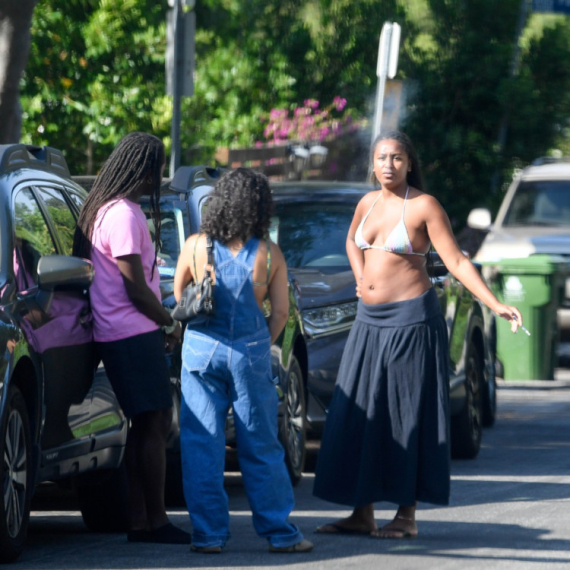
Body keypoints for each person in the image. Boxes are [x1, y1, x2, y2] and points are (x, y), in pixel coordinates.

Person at [313, 130, 523, 539]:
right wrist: (360, 279)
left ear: (410, 164)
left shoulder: (424, 206)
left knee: (404, 414)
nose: (388, 165)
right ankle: (362, 512)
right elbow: (351, 241)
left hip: (411, 322)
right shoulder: (366, 203)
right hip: (368, 325)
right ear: (372, 165)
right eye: (381, 158)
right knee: (361, 412)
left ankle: (406, 515)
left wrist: (495, 303)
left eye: (396, 158)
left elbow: (458, 261)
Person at [173, 168, 313, 554]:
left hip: (200, 352)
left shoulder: (197, 245)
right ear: (260, 207)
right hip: (249, 354)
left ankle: (208, 535)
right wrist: (254, 344)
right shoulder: (269, 254)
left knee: (202, 443)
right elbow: (282, 314)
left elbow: (180, 294)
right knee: (261, 444)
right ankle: (280, 532)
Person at [73, 132, 189, 544]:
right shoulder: (121, 214)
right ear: (140, 169)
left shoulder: (109, 209)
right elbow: (135, 289)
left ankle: (140, 521)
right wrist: (169, 323)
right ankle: (155, 521)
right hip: (130, 331)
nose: (158, 177)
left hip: (125, 332)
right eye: (156, 168)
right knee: (155, 422)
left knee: (145, 425)